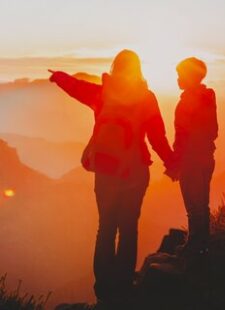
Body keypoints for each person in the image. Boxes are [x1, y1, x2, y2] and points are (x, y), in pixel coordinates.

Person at [49, 49, 174, 305]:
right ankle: (124, 285)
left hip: (106, 172)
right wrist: (172, 163)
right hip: (135, 171)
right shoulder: (146, 98)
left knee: (105, 229)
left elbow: (77, 88)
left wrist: (59, 77)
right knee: (128, 229)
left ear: (115, 67)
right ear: (137, 69)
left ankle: (104, 288)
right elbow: (157, 137)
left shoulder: (102, 93)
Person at [167, 57, 218, 256]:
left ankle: (195, 246)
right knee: (202, 203)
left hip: (191, 159)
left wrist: (175, 163)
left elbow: (182, 135)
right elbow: (213, 131)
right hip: (206, 156)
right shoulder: (208, 97)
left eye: (180, 75)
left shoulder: (189, 101)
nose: (177, 79)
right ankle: (202, 244)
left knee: (193, 203)